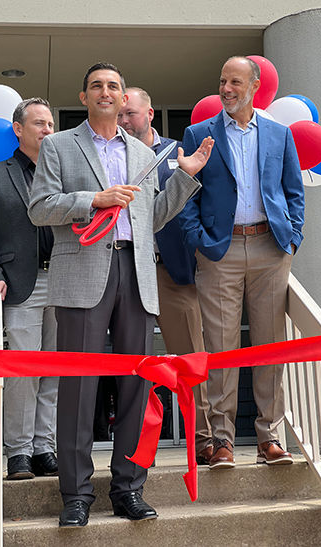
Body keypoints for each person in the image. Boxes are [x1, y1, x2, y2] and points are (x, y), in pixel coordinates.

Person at [28, 62, 213, 527]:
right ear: (84, 96)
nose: (106, 92)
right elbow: (39, 208)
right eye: (97, 86)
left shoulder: (140, 150)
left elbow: (151, 218)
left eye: (113, 86)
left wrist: (185, 176)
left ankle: (129, 487)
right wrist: (94, 199)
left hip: (136, 272)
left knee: (135, 384)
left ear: (124, 96)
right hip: (82, 274)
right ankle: (76, 495)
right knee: (78, 387)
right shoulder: (57, 145)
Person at [179, 56, 305, 469]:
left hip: (271, 249)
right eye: (222, 81)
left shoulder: (279, 134)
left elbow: (292, 192)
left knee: (270, 345)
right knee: (221, 348)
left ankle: (270, 437)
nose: (226, 89)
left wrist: (293, 237)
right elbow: (187, 196)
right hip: (220, 252)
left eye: (235, 82)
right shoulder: (199, 133)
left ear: (255, 86)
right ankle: (221, 441)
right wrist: (201, 242)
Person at [118, 87, 212, 464]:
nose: (124, 121)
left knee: (190, 357)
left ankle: (203, 438)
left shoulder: (178, 153)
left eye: (131, 114)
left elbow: (201, 202)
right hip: (128, 271)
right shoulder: (114, 157)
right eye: (120, 116)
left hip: (173, 270)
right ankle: (138, 446)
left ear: (150, 114)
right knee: (133, 360)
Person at [0, 98, 59, 480]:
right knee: (24, 371)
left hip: (65, 282)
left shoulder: (63, 174)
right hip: (21, 285)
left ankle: (46, 448)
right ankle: (19, 453)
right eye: (39, 123)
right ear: (18, 130)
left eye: (51, 124)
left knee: (55, 370)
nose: (47, 130)